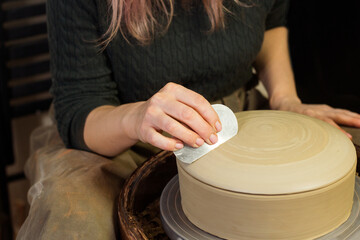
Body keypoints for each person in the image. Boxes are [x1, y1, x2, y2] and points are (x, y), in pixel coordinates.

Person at [17, 0, 360, 239]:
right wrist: (135, 117)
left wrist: (286, 99)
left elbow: (270, 23)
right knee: (71, 217)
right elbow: (81, 108)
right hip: (121, 131)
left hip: (236, 121)